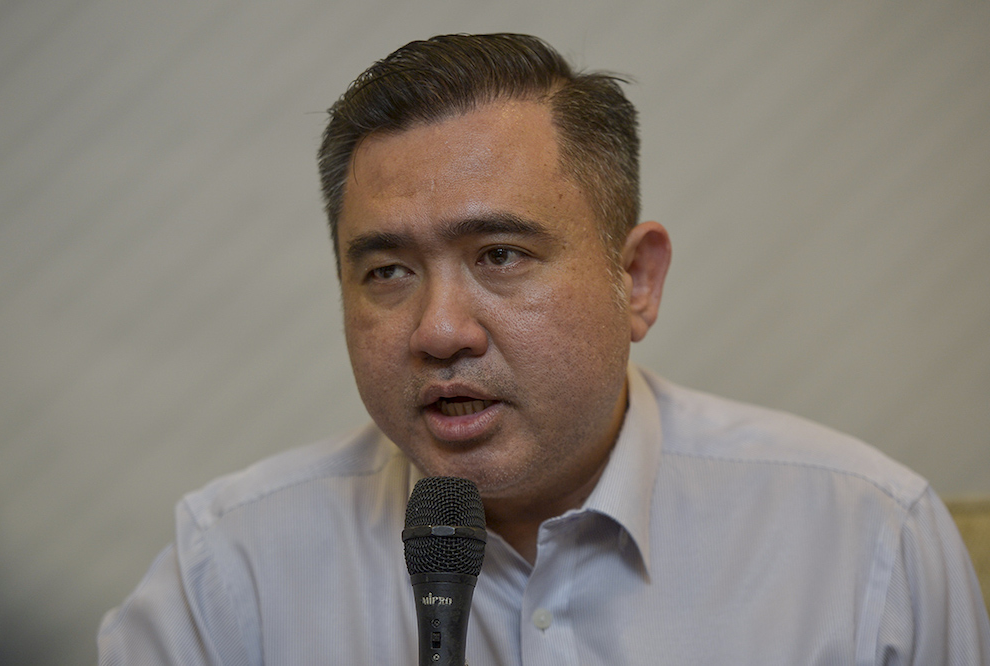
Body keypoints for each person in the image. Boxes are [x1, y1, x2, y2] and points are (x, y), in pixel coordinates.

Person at [98, 33, 989, 664]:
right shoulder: (233, 570)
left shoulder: (870, 541)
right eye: (387, 273)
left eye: (500, 256)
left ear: (635, 280)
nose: (441, 331)